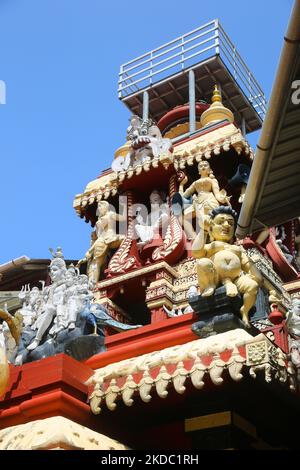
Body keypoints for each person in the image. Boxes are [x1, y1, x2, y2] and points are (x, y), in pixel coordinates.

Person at [192, 206, 259, 326]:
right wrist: (203, 230)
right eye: (220, 222)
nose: (227, 225)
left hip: (236, 279)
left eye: (231, 223)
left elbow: (250, 268)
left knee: (252, 286)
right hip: (214, 277)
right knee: (203, 263)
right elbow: (196, 252)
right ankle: (212, 285)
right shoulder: (211, 246)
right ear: (211, 229)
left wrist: (256, 276)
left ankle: (244, 310)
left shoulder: (237, 249)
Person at [77, 201, 126, 284]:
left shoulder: (110, 214)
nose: (99, 209)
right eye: (98, 207)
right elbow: (98, 236)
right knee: (96, 262)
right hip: (102, 240)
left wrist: (125, 206)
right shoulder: (100, 220)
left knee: (126, 239)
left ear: (105, 207)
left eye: (100, 206)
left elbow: (123, 218)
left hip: (110, 238)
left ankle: (122, 261)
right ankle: (92, 282)